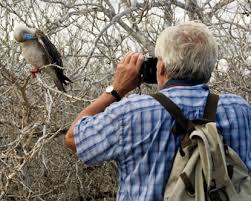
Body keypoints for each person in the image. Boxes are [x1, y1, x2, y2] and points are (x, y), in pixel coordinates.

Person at [65, 21, 251, 201]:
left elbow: (74, 138)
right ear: (209, 70)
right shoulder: (239, 110)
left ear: (160, 68)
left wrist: (116, 90)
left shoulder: (133, 112)